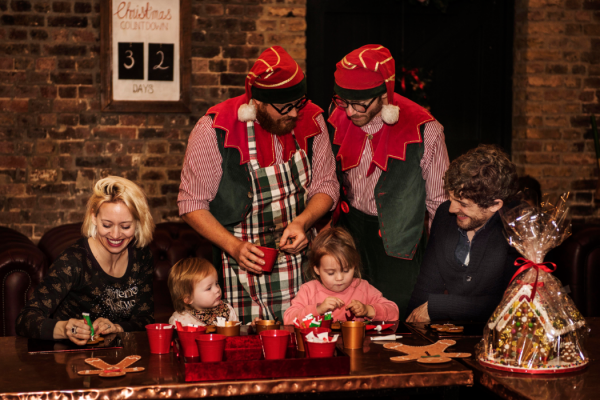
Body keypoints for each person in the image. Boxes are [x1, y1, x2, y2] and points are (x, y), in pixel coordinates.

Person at [178, 46, 339, 323]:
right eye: (284, 108)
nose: (293, 114)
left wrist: (303, 222)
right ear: (258, 102)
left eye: (298, 104)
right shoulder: (215, 128)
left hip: (301, 264)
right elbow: (191, 204)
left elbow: (327, 185)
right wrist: (234, 246)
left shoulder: (312, 119)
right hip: (238, 266)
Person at [326, 44, 450, 319]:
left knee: (399, 319)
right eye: (343, 102)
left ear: (384, 94)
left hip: (401, 243)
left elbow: (439, 205)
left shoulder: (426, 129)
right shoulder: (337, 117)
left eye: (359, 104)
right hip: (350, 239)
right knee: (346, 321)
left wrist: (443, 264)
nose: (349, 112)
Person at [16, 176, 155, 345]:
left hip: (116, 360)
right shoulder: (73, 261)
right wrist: (65, 328)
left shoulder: (141, 255)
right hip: (69, 361)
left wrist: (117, 327)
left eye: (125, 226)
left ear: (139, 222)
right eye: (107, 225)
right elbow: (25, 320)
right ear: (94, 218)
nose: (116, 235)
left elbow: (145, 320)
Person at [406, 144, 521, 323]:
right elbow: (426, 287)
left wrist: (439, 307)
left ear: (495, 204)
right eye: (451, 198)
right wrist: (408, 335)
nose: (452, 209)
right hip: (451, 339)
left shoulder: (518, 228)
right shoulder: (445, 216)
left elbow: (510, 304)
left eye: (463, 204)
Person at [284, 227, 398, 324]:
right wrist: (318, 309)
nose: (339, 278)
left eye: (346, 270)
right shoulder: (308, 291)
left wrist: (368, 310)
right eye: (331, 273)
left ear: (354, 265)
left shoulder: (362, 287)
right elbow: (288, 319)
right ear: (317, 269)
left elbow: (394, 312)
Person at [168, 257, 238, 326]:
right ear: (188, 298)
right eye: (209, 288)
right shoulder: (179, 321)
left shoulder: (228, 311)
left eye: (216, 283)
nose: (217, 289)